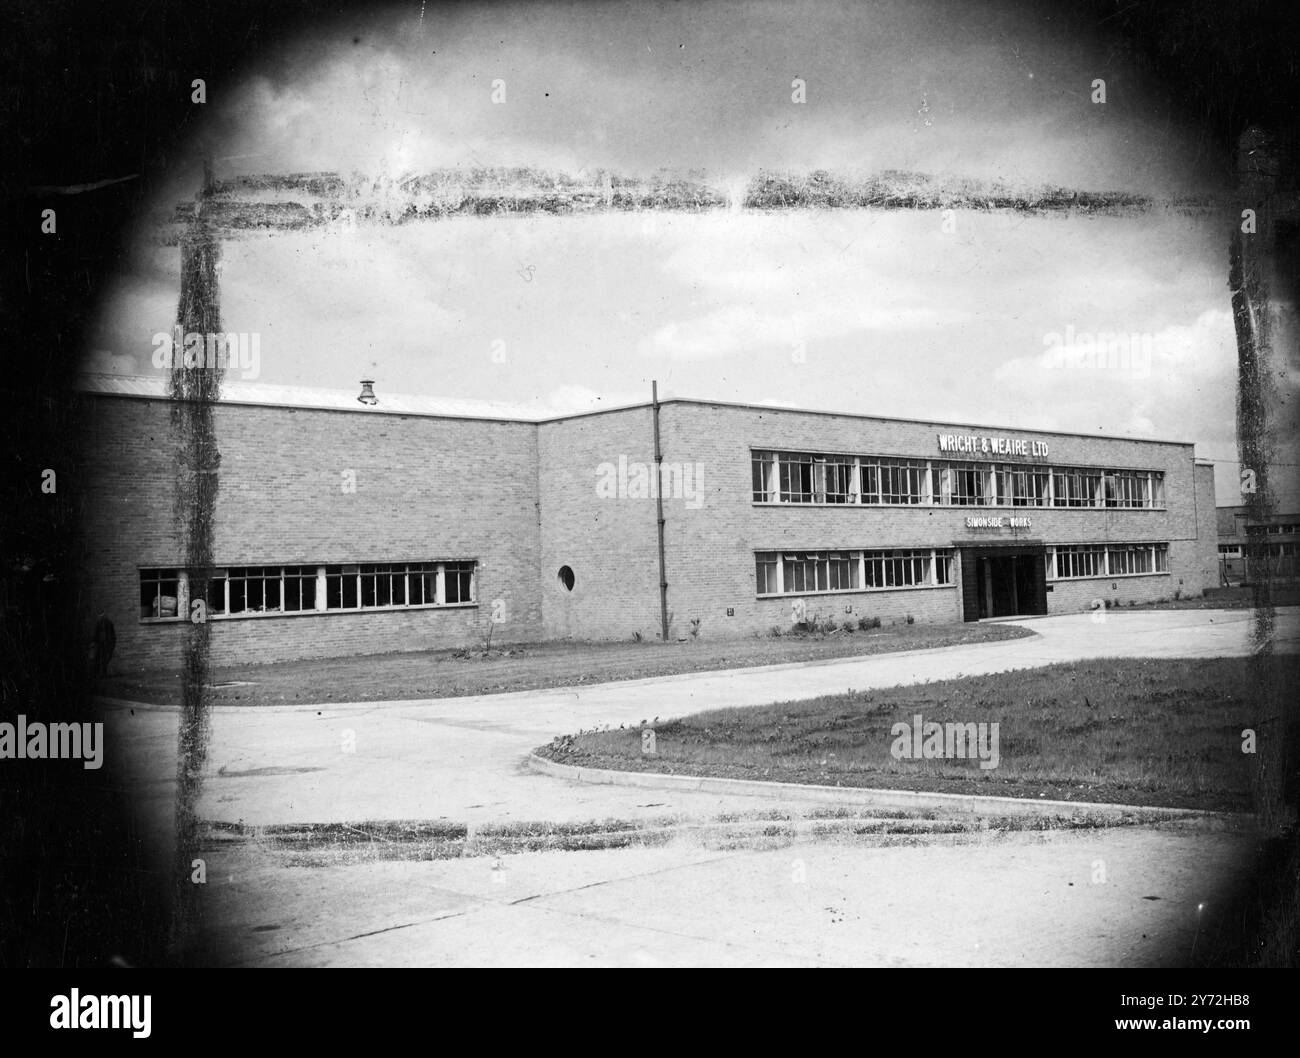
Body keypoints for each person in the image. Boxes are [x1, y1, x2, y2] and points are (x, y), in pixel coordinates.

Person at [93, 611, 116, 679]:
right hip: (101, 644)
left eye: (101, 616)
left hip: (105, 644)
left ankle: (102, 674)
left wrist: (111, 645)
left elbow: (112, 635)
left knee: (103, 659)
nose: (100, 618)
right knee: (100, 659)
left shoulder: (108, 623)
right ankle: (100, 674)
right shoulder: (100, 623)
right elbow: (96, 634)